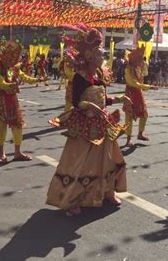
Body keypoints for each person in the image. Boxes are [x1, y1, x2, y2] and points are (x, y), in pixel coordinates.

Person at [46, 25, 128, 216]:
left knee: (109, 159)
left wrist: (118, 99)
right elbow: (76, 102)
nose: (103, 58)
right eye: (100, 55)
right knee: (81, 163)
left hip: (102, 123)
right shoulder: (79, 77)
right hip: (84, 125)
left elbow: (102, 98)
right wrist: (89, 106)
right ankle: (72, 199)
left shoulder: (99, 75)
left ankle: (108, 191)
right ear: (90, 55)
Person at [0, 41, 41, 163]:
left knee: (18, 126)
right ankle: (2, 154)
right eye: (10, 57)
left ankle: (17, 152)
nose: (12, 61)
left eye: (14, 58)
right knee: (1, 129)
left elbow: (24, 77)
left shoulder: (13, 68)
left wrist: (38, 79)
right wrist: (11, 85)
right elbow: (1, 83)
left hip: (12, 101)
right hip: (2, 101)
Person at [123, 46, 158, 147]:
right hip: (130, 93)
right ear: (134, 60)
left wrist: (144, 66)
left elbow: (145, 75)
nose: (141, 60)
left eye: (142, 58)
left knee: (144, 114)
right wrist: (148, 86)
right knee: (129, 116)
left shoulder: (139, 68)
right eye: (140, 58)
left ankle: (140, 134)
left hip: (138, 93)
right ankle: (128, 139)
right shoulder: (128, 70)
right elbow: (133, 83)